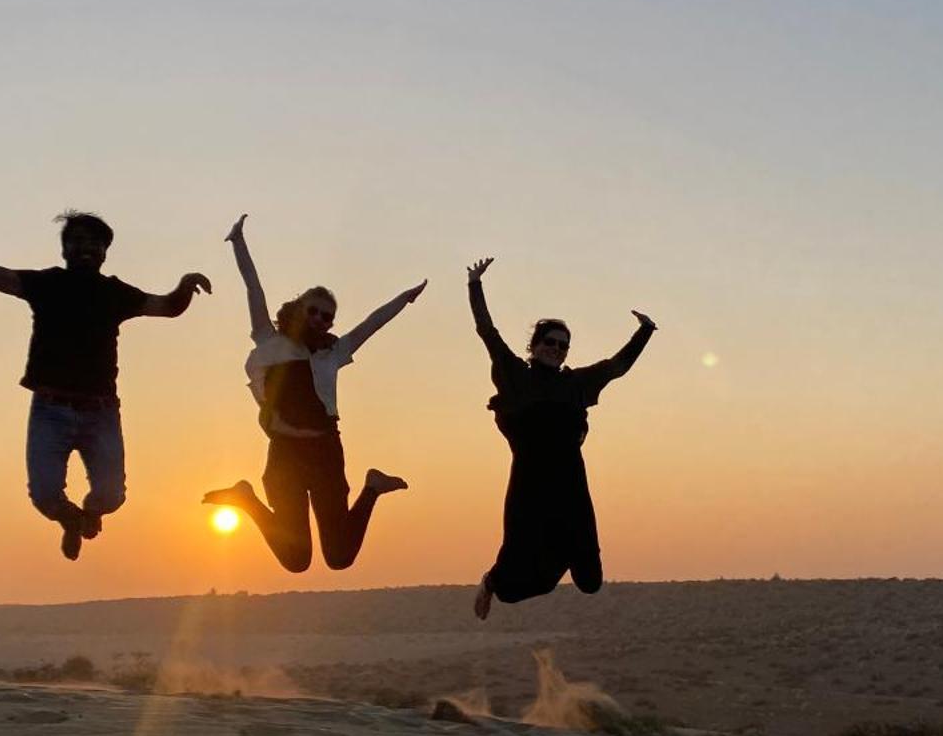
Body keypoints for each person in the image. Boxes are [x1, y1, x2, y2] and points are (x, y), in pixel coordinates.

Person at [0, 202, 210, 561]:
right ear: (64, 249)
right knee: (44, 496)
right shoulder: (46, 285)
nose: (85, 248)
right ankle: (71, 520)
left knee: (111, 498)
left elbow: (167, 307)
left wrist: (186, 283)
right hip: (50, 410)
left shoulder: (116, 294)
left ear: (105, 251)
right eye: (76, 241)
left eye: (94, 243)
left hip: (100, 412)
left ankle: (88, 515)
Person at [203, 214, 424, 572]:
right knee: (296, 560)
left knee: (339, 558)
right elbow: (253, 289)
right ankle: (245, 499)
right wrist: (238, 242)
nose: (320, 320)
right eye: (315, 311)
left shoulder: (331, 353)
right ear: (299, 308)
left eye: (327, 317)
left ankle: (372, 488)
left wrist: (405, 299)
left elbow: (372, 324)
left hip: (325, 451)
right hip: (285, 453)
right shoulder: (269, 340)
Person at [465, 256, 655, 618]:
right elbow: (486, 331)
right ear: (534, 345)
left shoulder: (576, 384)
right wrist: (475, 284)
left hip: (571, 487)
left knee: (590, 581)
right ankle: (491, 581)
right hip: (529, 487)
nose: (556, 349)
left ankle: (558, 551)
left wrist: (645, 330)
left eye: (563, 345)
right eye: (550, 342)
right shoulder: (515, 376)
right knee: (521, 583)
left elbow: (617, 367)